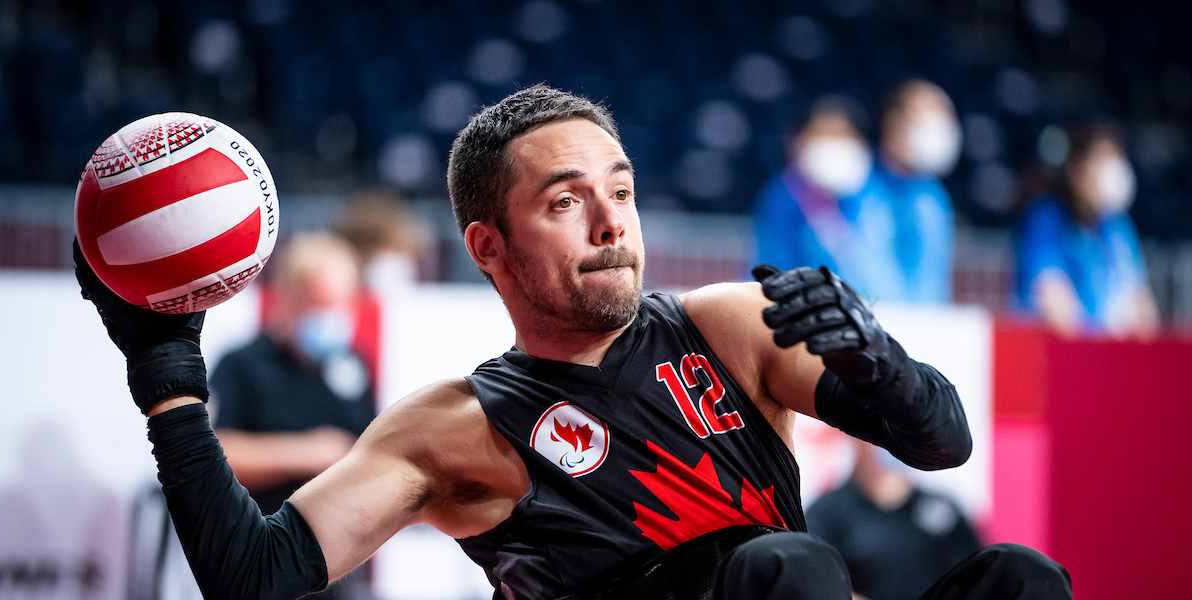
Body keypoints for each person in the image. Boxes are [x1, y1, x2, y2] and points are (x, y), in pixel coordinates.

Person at [75, 85, 1072, 600]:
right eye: (568, 201)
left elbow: (942, 443)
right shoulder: (451, 429)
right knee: (792, 570)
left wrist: (883, 366)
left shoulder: (724, 324)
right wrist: (168, 382)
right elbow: (254, 578)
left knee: (1021, 576)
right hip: (791, 581)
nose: (612, 223)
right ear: (489, 246)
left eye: (623, 192)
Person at [209, 232, 376, 599]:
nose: (331, 316)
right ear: (287, 298)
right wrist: (310, 452)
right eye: (319, 303)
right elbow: (215, 460)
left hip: (334, 566)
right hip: (257, 555)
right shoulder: (241, 366)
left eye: (341, 303)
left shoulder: (353, 367)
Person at [753, 95, 907, 302]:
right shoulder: (785, 194)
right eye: (823, 135)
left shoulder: (873, 196)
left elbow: (880, 272)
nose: (834, 145)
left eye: (843, 135)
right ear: (799, 142)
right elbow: (769, 264)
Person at [1015, 122, 1159, 338]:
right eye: (1103, 160)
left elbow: (1142, 306)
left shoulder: (1118, 227)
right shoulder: (1047, 219)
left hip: (1112, 357)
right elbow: (1053, 300)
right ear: (1076, 170)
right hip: (1062, 356)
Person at [807, 441, 981, 600]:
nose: (888, 439)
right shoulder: (827, 513)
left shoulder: (942, 509)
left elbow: (975, 578)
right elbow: (812, 583)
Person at [870, 80, 962, 304]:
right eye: (926, 119)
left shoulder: (934, 196)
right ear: (894, 122)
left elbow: (934, 278)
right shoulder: (858, 188)